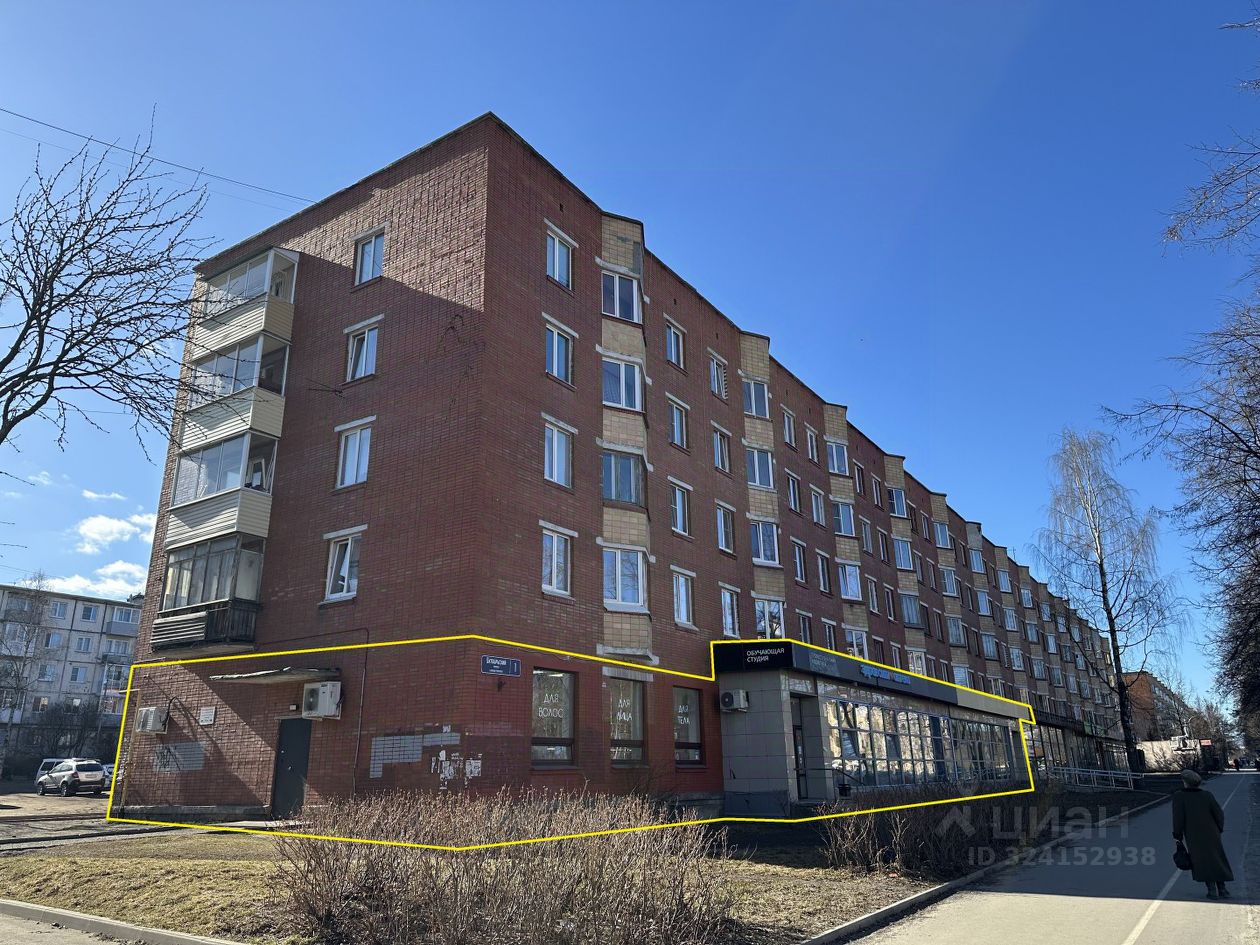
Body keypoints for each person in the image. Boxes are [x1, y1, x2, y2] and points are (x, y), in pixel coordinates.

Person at [1172, 768, 1234, 898]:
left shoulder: (1179, 796)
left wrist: (1177, 835)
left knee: (1201, 860)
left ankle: (1211, 890)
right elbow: (1218, 813)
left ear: (1185, 782)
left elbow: (1178, 817)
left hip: (1193, 834)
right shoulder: (1207, 795)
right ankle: (1222, 888)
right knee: (1217, 857)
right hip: (1212, 832)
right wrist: (1219, 828)